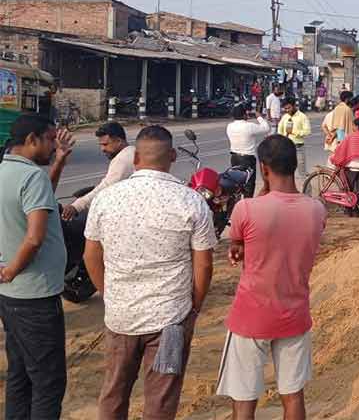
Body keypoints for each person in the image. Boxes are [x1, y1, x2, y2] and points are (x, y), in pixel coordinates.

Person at [84, 126, 217, 420]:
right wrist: (194, 305)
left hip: (121, 318)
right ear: (171, 156)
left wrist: (110, 293)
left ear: (135, 159)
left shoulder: (107, 199)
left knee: (114, 392)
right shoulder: (191, 201)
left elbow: (91, 256)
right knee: (161, 397)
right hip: (170, 321)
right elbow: (204, 264)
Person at [215, 135, 325, 419]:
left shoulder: (246, 209)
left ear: (264, 168)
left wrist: (239, 249)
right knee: (293, 396)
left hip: (251, 315)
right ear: (292, 164)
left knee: (244, 401)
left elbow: (238, 242)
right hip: (294, 314)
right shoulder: (317, 210)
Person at [0, 114, 72, 419]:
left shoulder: (7, 172)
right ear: (32, 140)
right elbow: (34, 238)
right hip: (35, 295)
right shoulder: (32, 177)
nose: (53, 145)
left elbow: (37, 203)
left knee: (20, 371)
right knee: (48, 381)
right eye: (50, 139)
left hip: (11, 296)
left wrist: (59, 162)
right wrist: (12, 269)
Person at [62, 122, 135, 220]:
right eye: (101, 145)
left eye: (105, 144)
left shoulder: (123, 159)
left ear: (119, 141)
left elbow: (106, 187)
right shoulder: (131, 152)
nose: (102, 149)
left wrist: (77, 206)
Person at [330, 118, 359, 217]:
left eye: (353, 126)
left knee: (348, 189)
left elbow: (341, 149)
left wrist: (335, 157)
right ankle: (356, 210)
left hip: (350, 166)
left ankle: (348, 209)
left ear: (356, 127)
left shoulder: (350, 137)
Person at [227, 105, 270, 197]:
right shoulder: (249, 126)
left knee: (236, 183)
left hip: (234, 158)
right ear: (244, 114)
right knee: (249, 185)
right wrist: (259, 117)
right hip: (247, 159)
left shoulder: (229, 126)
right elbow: (266, 128)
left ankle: (236, 203)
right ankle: (247, 204)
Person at [278, 97, 312, 183]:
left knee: (302, 173)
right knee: (286, 172)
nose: (287, 110)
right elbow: (280, 130)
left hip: (298, 147)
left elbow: (307, 131)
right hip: (286, 148)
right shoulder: (285, 117)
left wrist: (293, 132)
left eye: (289, 108)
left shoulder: (302, 117)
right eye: (285, 108)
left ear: (294, 106)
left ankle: (307, 194)